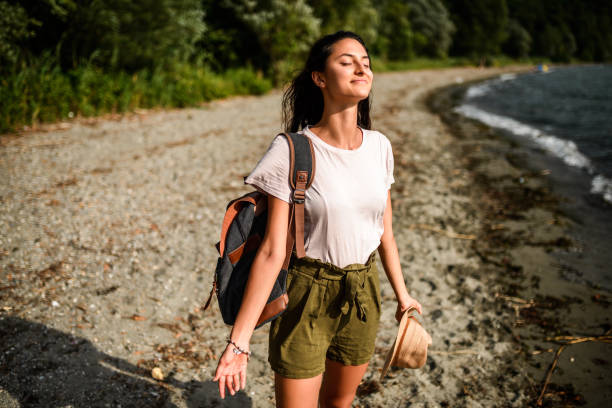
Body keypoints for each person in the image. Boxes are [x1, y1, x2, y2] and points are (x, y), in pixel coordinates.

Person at [213, 30, 422, 408]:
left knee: (339, 403)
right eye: (347, 61)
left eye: (366, 62)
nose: (361, 67)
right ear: (320, 78)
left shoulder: (380, 147)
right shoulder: (292, 150)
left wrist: (403, 297)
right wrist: (238, 342)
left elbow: (384, 233)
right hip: (307, 293)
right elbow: (273, 251)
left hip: (363, 290)